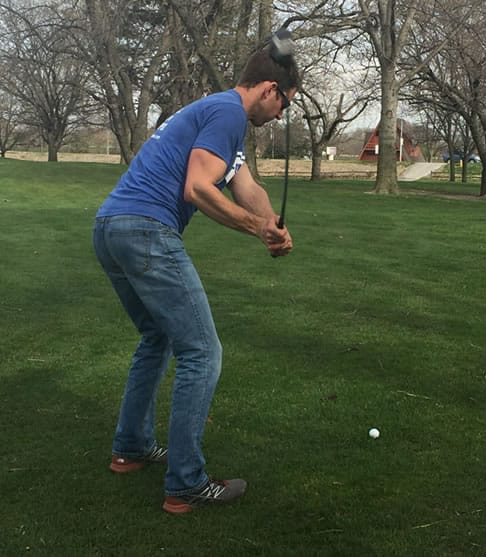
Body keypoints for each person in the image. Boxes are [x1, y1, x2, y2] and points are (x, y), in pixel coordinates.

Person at [92, 39, 300, 514]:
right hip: (146, 229)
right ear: (271, 89)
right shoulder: (228, 113)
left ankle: (131, 446)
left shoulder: (220, 116)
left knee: (155, 338)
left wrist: (271, 227)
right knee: (202, 352)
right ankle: (185, 481)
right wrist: (253, 230)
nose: (282, 115)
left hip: (110, 228)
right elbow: (198, 188)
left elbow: (246, 186)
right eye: (285, 103)